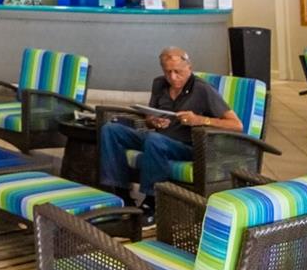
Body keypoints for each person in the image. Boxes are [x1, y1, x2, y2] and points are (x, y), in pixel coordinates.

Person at [99, 47, 244, 215]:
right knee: (110, 130)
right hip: (157, 139)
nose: (173, 77)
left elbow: (236, 125)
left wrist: (200, 120)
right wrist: (153, 120)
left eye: (177, 72)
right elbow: (149, 118)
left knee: (153, 140)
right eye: (168, 72)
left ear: (189, 67)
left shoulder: (203, 89)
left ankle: (152, 203)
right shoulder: (159, 84)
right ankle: (122, 195)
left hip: (188, 147)